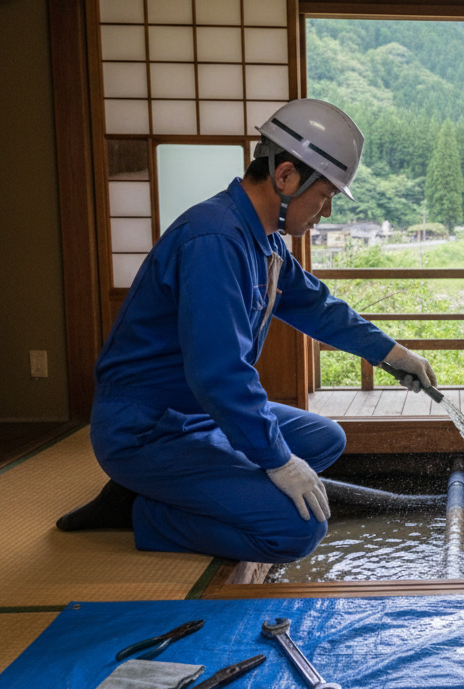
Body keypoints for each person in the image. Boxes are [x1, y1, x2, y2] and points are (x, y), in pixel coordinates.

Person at [56, 99, 437, 563]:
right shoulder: (215, 240)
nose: (328, 212)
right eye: (325, 196)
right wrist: (278, 462)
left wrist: (392, 355)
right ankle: (142, 510)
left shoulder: (263, 240)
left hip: (195, 414)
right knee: (297, 532)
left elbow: (317, 307)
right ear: (286, 177)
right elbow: (220, 375)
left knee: (324, 439)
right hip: (145, 428)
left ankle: (206, 486)